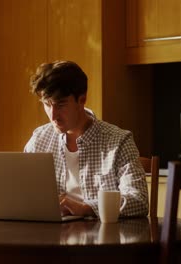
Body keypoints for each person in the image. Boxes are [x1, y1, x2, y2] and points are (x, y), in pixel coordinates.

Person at [24, 60, 149, 218]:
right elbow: (22, 195)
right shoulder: (39, 140)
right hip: (51, 237)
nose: (53, 115)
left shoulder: (118, 141)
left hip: (102, 238)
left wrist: (86, 208)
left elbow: (139, 201)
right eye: (47, 104)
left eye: (60, 105)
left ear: (82, 100)